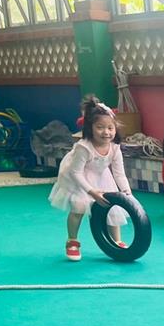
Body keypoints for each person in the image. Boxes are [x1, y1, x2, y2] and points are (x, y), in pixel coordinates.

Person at [49, 95, 133, 261]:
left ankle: (117, 241)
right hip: (79, 176)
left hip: (101, 175)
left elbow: (119, 173)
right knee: (79, 207)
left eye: (110, 128)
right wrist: (92, 192)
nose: (106, 132)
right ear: (90, 128)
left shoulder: (115, 147)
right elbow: (76, 173)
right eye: (100, 127)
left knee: (112, 206)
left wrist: (126, 192)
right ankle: (72, 241)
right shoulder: (84, 147)